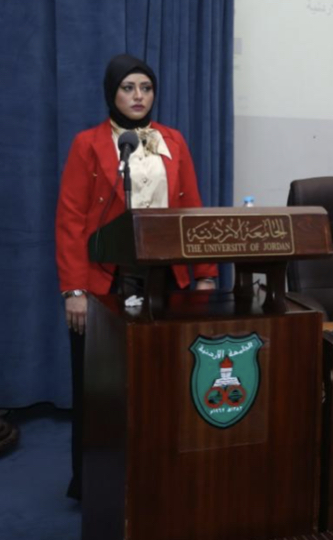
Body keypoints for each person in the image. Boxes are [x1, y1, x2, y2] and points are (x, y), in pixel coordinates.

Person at [55, 53, 217, 500]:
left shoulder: (174, 141)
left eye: (145, 88)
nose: (138, 96)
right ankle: (94, 482)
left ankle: (158, 474)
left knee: (164, 380)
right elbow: (70, 220)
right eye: (128, 88)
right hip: (103, 282)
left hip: (165, 279)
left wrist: (204, 275)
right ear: (112, 93)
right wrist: (74, 290)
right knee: (99, 388)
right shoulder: (88, 144)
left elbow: (193, 210)